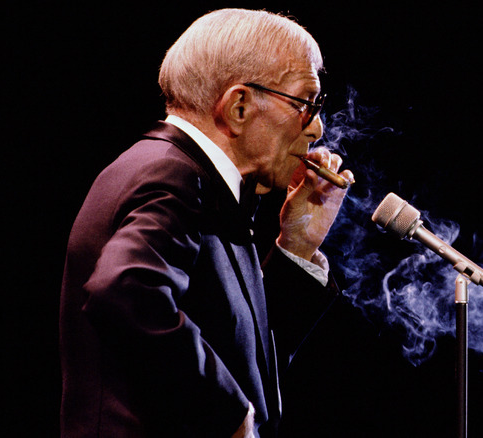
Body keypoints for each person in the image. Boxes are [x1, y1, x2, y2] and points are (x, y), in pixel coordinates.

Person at [59, 9, 352, 437]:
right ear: (238, 106)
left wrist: (298, 245)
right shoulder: (169, 175)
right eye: (306, 104)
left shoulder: (206, 186)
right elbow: (125, 293)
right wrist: (226, 410)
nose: (317, 128)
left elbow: (247, 362)